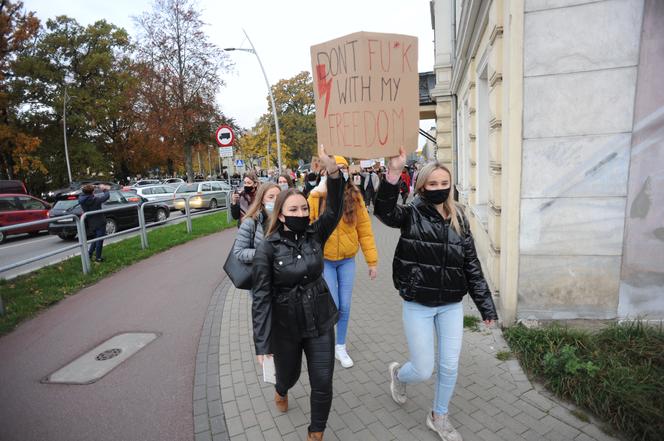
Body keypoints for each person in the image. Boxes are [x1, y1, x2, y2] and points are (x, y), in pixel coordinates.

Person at [374, 147, 498, 441]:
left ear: (451, 186)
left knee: (449, 365)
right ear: (421, 186)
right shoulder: (411, 213)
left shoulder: (460, 217)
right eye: (433, 184)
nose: (440, 189)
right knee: (422, 369)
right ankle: (398, 375)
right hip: (418, 303)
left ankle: (439, 416)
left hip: (451, 304)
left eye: (445, 184)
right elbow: (385, 212)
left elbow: (471, 264)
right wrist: (392, 174)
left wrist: (486, 307)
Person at [252, 145, 343, 441]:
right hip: (285, 326)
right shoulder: (268, 247)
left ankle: (316, 432)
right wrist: (262, 344)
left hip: (320, 320)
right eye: (293, 210)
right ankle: (281, 389)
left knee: (322, 382)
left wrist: (332, 172)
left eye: (304, 208)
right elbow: (261, 297)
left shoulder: (316, 234)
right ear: (280, 215)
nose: (301, 213)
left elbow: (335, 208)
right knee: (288, 375)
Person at [307, 156, 378, 369]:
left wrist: (372, 261)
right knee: (334, 305)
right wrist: (315, 194)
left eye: (343, 168)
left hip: (347, 260)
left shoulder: (356, 197)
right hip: (326, 260)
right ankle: (326, 343)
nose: (341, 171)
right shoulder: (317, 196)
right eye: (336, 168)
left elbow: (364, 231)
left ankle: (340, 345)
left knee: (345, 306)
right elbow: (308, 225)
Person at [232, 183, 281, 296]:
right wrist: (265, 253)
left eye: (279, 197)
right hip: (260, 280)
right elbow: (239, 252)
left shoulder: (285, 220)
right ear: (262, 200)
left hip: (282, 279)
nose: (275, 200)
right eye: (271, 197)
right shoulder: (251, 222)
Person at [79, 184, 111, 262]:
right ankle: (98, 257)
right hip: (100, 221)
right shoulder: (95, 200)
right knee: (99, 240)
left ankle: (89, 254)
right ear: (92, 192)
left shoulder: (81, 199)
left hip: (91, 222)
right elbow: (106, 196)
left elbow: (84, 193)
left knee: (95, 238)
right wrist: (104, 189)